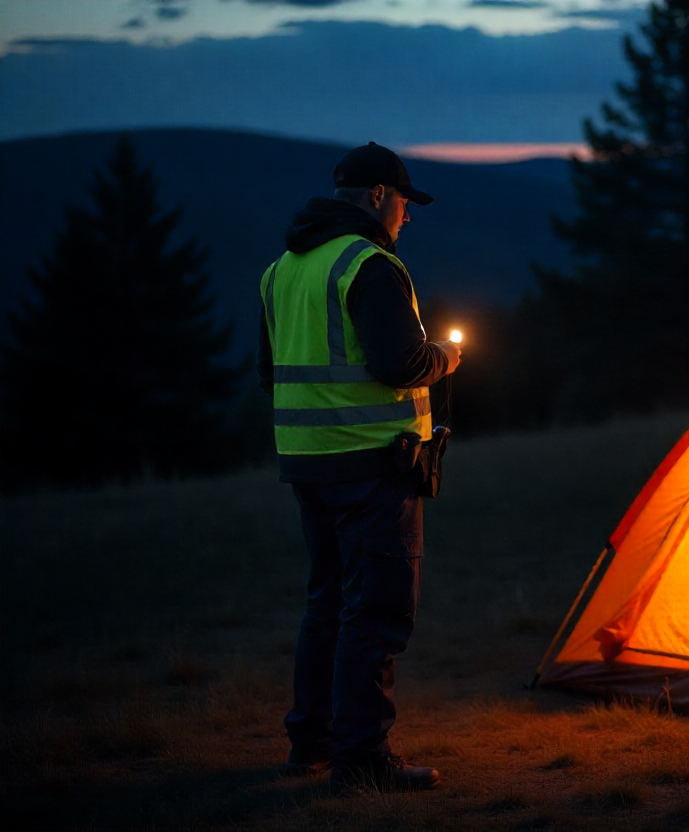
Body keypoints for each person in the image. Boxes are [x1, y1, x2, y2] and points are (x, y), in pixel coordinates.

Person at [257, 142, 461, 793]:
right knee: (375, 612)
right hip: (375, 467)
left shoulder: (281, 270)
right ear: (378, 196)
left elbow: (269, 373)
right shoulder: (369, 265)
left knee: (328, 605)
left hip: (308, 468)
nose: (408, 216)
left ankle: (310, 745)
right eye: (404, 202)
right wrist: (446, 359)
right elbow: (399, 362)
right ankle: (362, 755)